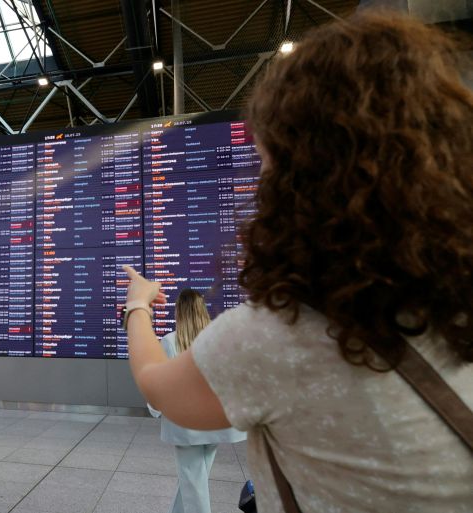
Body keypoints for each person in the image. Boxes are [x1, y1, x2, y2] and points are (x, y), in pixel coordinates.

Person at [122, 12, 473, 513]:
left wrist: (138, 304)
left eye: (268, 161)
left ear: (305, 176)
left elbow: (158, 385)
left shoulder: (277, 335)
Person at [148, 289, 246, 513]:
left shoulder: (170, 341)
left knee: (193, 482)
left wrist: (154, 409)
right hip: (215, 422)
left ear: (179, 312)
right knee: (194, 480)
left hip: (186, 425)